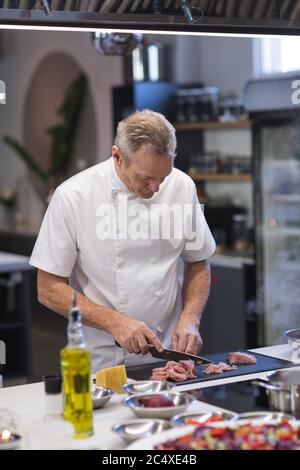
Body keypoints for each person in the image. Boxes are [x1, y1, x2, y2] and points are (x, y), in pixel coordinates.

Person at [30, 109, 216, 371]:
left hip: (168, 354)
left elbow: (199, 263)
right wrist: (114, 322)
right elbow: (48, 288)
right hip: (102, 357)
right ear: (118, 156)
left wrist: (190, 319)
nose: (155, 189)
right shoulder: (73, 196)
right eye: (145, 178)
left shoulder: (182, 186)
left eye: (163, 177)